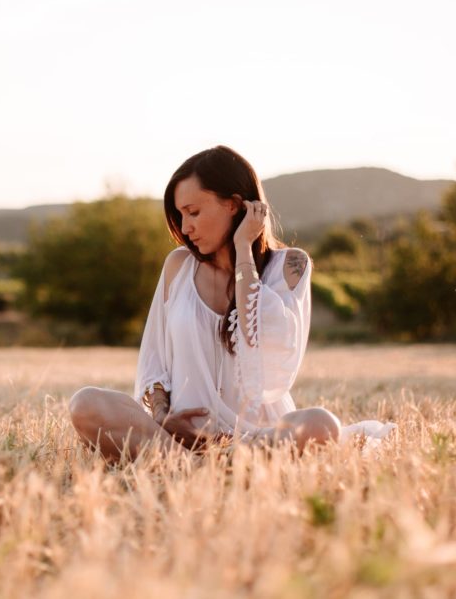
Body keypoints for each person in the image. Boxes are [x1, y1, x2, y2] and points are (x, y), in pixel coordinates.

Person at [69, 145, 346, 460]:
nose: (185, 228)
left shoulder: (289, 266)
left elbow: (256, 341)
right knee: (85, 403)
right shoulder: (178, 266)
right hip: (179, 439)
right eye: (180, 215)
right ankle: (194, 464)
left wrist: (243, 248)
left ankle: (217, 463)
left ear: (233, 205)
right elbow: (155, 361)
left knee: (321, 424)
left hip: (256, 437)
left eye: (194, 212)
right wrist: (161, 417)